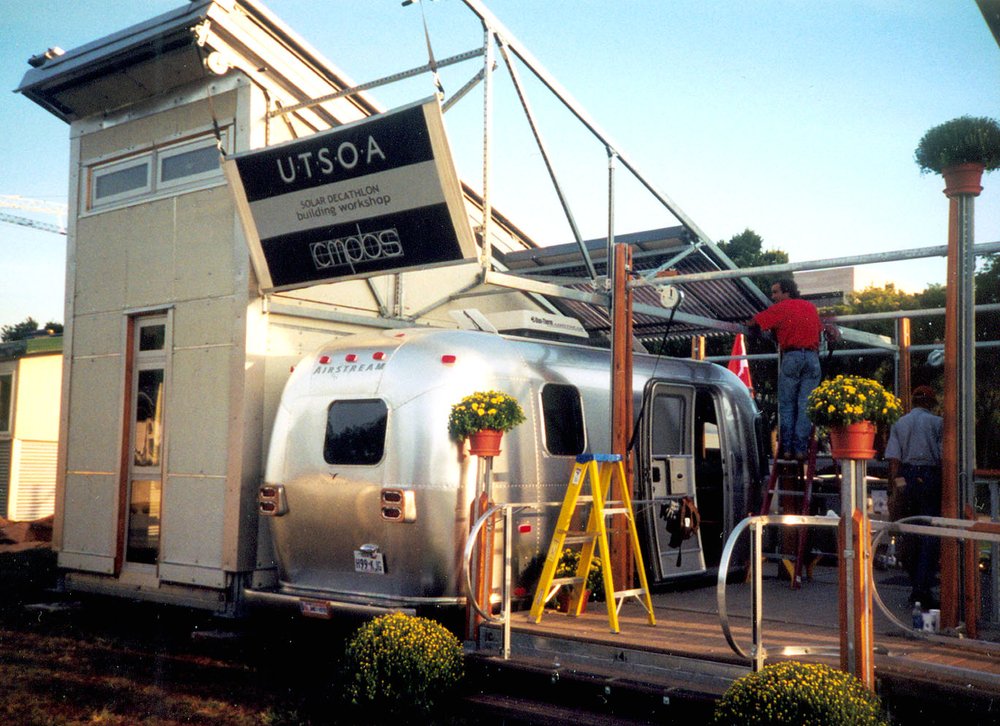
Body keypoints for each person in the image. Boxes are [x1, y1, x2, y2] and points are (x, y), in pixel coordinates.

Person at [747, 278, 822, 461]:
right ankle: (800, 449)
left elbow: (753, 323)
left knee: (787, 405)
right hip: (812, 358)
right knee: (805, 405)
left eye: (775, 292)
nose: (773, 297)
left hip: (792, 357)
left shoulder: (782, 307)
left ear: (786, 292)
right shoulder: (810, 307)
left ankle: (787, 449)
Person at [885, 385, 943, 607]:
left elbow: (893, 458)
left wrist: (896, 486)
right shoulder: (937, 423)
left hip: (907, 476)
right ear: (930, 402)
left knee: (908, 531)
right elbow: (942, 456)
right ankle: (922, 588)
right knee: (929, 533)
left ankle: (916, 586)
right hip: (929, 475)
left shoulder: (900, 423)